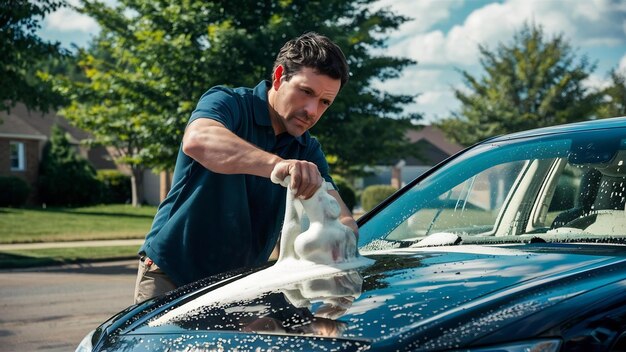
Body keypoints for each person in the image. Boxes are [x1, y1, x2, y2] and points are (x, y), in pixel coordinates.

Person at [134, 32, 358, 304]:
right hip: (171, 275)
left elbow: (343, 219)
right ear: (279, 76)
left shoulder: (307, 149)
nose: (312, 110)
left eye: (325, 102)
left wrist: (340, 248)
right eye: (306, 92)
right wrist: (278, 165)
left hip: (241, 288)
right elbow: (198, 140)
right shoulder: (229, 103)